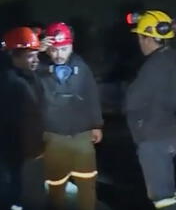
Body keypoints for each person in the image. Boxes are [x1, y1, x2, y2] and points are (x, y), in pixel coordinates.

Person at [38, 22, 103, 210]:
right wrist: (36, 51)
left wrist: (97, 124)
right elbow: (22, 79)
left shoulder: (81, 67)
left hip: (81, 135)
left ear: (72, 46)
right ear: (47, 49)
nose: (59, 55)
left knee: (87, 182)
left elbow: (92, 95)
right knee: (56, 186)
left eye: (64, 49)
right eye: (54, 50)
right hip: (53, 137)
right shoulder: (38, 69)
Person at [125, 11, 176, 210]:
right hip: (167, 134)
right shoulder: (172, 59)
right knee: (167, 191)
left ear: (148, 38)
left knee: (162, 197)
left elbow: (132, 101)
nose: (140, 42)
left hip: (154, 138)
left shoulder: (154, 66)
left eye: (141, 37)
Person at [0, 27, 47, 210]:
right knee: (13, 193)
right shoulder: (12, 84)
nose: (35, 60)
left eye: (36, 54)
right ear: (14, 56)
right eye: (29, 56)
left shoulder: (28, 77)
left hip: (24, 153)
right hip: (14, 153)